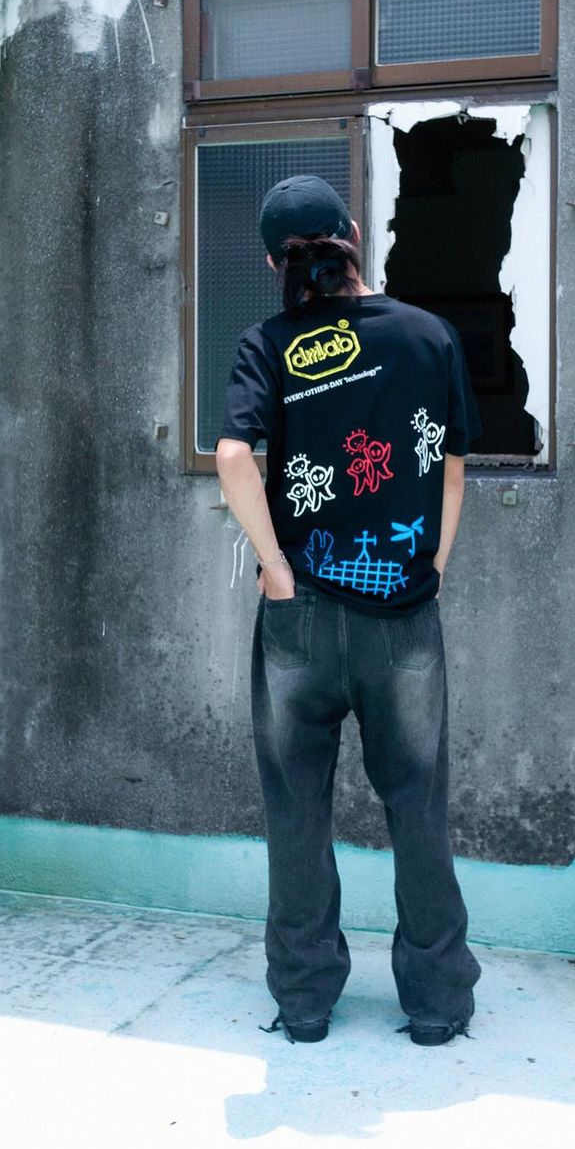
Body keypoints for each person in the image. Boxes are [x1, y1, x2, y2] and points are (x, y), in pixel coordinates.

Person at [215, 174, 482, 1046]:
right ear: (355, 235)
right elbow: (447, 466)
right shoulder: (428, 336)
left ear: (271, 263)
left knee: (295, 807)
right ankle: (437, 1004)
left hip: (300, 620)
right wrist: (431, 562)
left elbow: (231, 458)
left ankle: (303, 1003)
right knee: (418, 804)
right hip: (403, 612)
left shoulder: (268, 344)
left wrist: (277, 566)